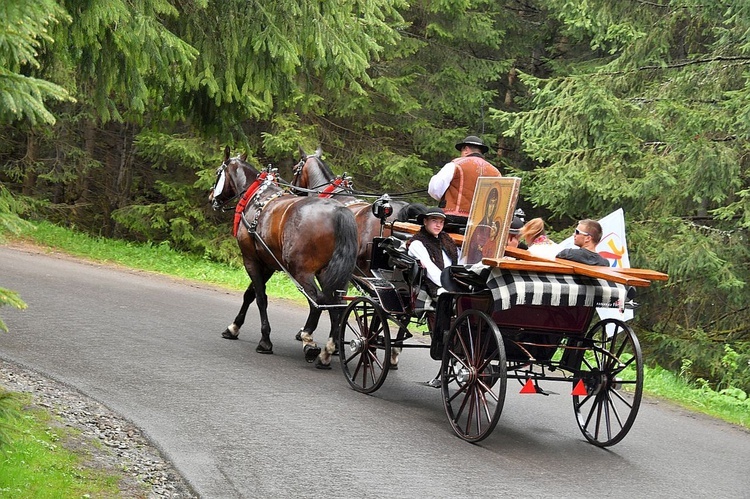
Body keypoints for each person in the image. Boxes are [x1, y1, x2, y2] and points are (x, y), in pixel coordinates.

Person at [428, 135, 501, 229]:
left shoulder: (456, 165)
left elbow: (435, 189)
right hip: (481, 223)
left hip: (453, 219)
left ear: (466, 149)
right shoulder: (495, 172)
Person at [406, 207, 459, 297]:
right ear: (425, 222)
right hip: (433, 287)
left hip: (453, 282)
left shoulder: (446, 240)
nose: (438, 225)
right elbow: (430, 270)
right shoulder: (417, 243)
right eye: (434, 221)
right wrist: (449, 285)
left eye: (441, 222)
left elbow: (458, 259)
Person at [463, 187, 499, 264]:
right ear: (486, 205)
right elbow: (473, 246)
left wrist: (492, 237)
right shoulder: (480, 225)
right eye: (490, 203)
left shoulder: (495, 226)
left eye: (494, 204)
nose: (492, 207)